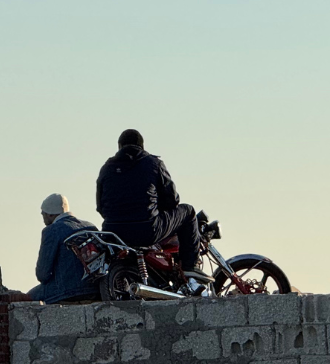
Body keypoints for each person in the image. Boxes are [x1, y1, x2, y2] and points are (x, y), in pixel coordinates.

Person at [95, 128, 200, 271]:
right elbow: (172, 200)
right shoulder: (154, 163)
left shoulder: (106, 168)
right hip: (147, 230)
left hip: (114, 233)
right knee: (189, 211)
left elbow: (100, 206)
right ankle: (190, 269)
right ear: (142, 146)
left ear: (119, 147)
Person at [27, 193, 98, 304]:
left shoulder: (52, 230)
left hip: (65, 290)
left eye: (43, 214)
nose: (43, 216)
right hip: (94, 289)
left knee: (25, 299)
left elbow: (43, 274)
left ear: (50, 215)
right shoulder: (91, 227)